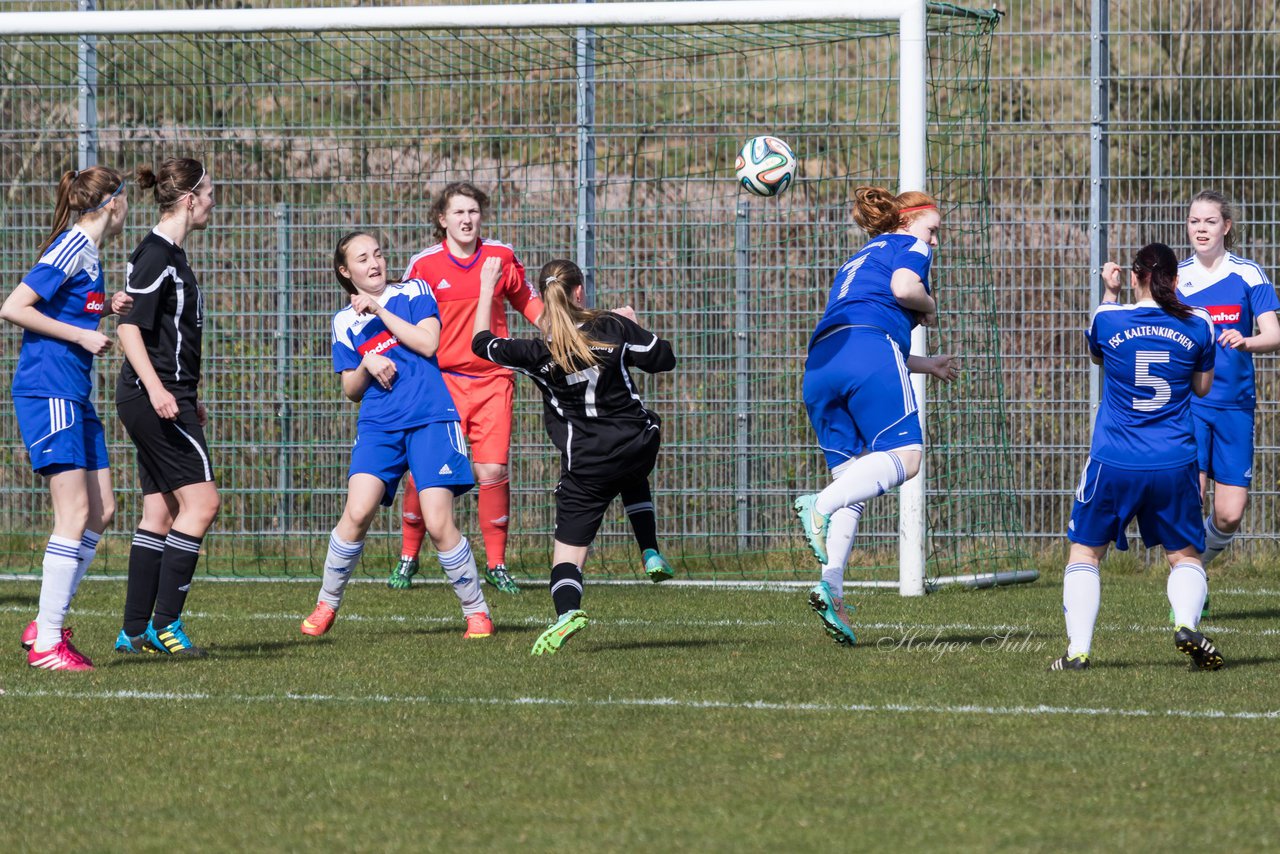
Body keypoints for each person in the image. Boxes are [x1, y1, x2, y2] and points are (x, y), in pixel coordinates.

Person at [471, 257, 676, 655]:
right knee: (631, 468)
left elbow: (481, 344)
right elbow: (663, 358)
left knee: (566, 556)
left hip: (586, 465)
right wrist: (633, 324)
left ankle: (568, 613)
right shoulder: (613, 327)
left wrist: (485, 288)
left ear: (546, 300)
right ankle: (650, 550)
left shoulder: (534, 351)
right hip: (637, 442)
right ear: (579, 291)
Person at [300, 232, 493, 640]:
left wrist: (380, 310)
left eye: (378, 254)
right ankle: (326, 604)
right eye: (362, 258)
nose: (374, 263)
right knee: (356, 513)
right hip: (379, 426)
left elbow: (428, 342)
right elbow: (351, 390)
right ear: (345, 271)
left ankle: (477, 612)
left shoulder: (413, 290)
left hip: (429, 419)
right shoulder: (343, 321)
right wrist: (367, 362)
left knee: (439, 522)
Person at [792, 186, 958, 646]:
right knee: (907, 457)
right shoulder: (911, 246)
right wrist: (929, 304)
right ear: (908, 222)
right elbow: (904, 290)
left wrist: (926, 364)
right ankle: (817, 506)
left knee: (853, 485)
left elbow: (865, 329)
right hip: (868, 349)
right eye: (933, 230)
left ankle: (832, 588)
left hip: (822, 365)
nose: (935, 241)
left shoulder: (857, 259)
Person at [1052, 243, 1221, 671]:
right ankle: (1185, 624)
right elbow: (1202, 388)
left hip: (1115, 458)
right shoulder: (1200, 323)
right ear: (1176, 280)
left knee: (1086, 553)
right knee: (1184, 556)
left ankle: (1078, 651)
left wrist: (1109, 293)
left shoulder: (1107, 317)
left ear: (1132, 276)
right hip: (1174, 459)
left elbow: (1097, 356)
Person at [2, 166, 131, 671]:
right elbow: (14, 306)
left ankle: (44, 622)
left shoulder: (91, 255)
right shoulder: (70, 247)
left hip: (74, 394)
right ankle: (47, 643)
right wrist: (80, 336)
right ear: (114, 203)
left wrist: (103, 312)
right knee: (74, 515)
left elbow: (70, 308)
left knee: (101, 511)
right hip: (48, 390)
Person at [389, 181, 540, 595]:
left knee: (492, 469)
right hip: (442, 384)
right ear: (442, 219)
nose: (467, 219)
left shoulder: (501, 257)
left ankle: (496, 563)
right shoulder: (423, 266)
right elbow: (402, 320)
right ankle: (407, 555)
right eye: (458, 212)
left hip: (493, 380)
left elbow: (529, 301)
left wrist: (562, 332)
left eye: (473, 211)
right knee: (426, 474)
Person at [113, 158, 220, 657]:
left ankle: (134, 630)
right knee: (202, 505)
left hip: (168, 394)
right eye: (210, 192)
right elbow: (129, 328)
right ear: (189, 200)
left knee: (160, 511)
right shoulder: (157, 253)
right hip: (153, 396)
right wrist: (160, 390)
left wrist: (187, 395)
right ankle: (166, 624)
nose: (214, 201)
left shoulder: (170, 255)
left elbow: (168, 335)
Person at [1176, 191, 1279, 584]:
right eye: (1194, 222)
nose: (1201, 229)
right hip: (1191, 405)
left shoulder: (1249, 273)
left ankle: (1194, 568)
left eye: (1210, 222)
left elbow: (1274, 334)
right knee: (1191, 499)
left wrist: (1246, 340)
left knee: (1229, 514)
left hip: (1236, 406)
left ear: (1226, 227)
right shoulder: (1176, 278)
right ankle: (1187, 592)